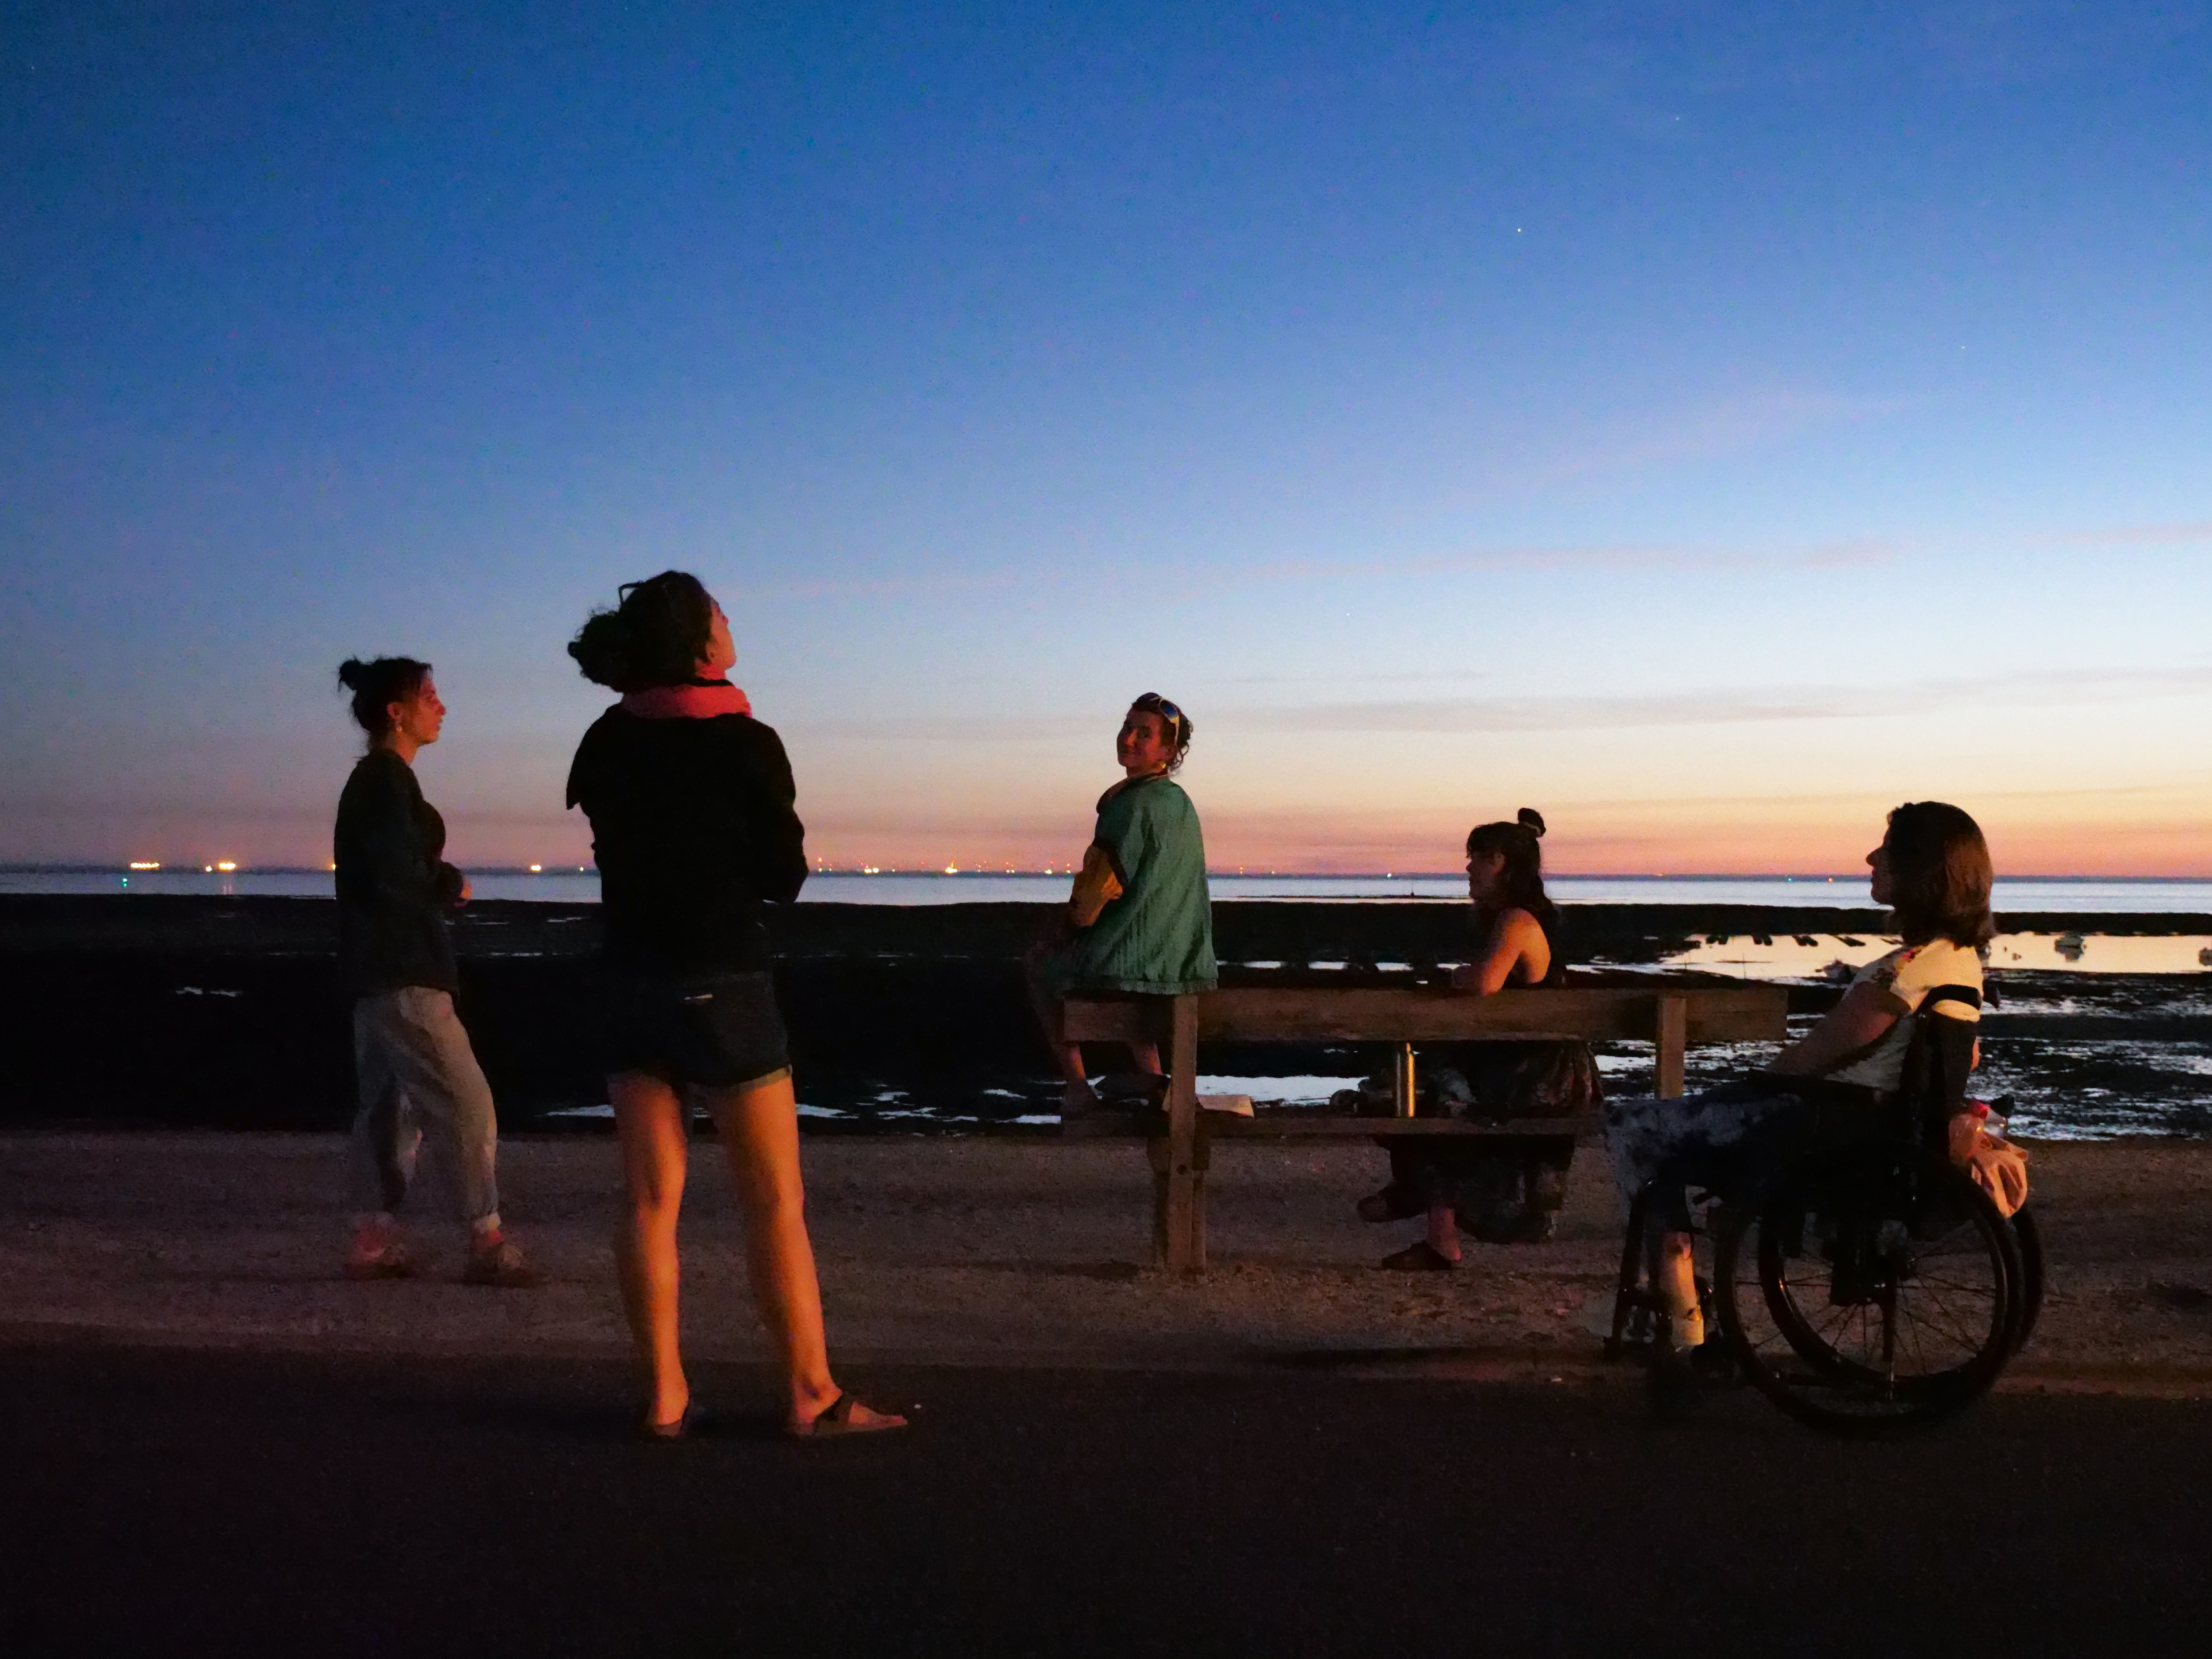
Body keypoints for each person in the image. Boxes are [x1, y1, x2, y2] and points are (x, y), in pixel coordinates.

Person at [564, 572, 904, 1440]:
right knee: (772, 1202)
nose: (730, 622)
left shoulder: (603, 739)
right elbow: (781, 876)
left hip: (628, 980)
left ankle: (666, 1393)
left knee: (648, 1199)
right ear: (698, 641)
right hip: (724, 979)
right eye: (720, 613)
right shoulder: (746, 742)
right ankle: (809, 1394)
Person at [1605, 800, 1995, 1386]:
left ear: (1920, 870)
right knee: (1684, 1133)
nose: (1869, 858)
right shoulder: (1959, 964)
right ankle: (1700, 1241)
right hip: (1871, 1130)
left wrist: (1748, 1081)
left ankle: (1685, 1319)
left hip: (1826, 1131)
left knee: (1630, 1127)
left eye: (1884, 850)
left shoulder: (1903, 973)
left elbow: (1810, 1058)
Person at [333, 657, 535, 1287]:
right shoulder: (385, 783)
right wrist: (448, 884)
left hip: (376, 970)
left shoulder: (379, 783)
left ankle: (371, 1242)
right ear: (396, 712)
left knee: (389, 1109)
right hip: (403, 969)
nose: (440, 706)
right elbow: (398, 876)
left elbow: (387, 873)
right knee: (466, 1101)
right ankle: (486, 1240)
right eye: (429, 696)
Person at [1359, 809, 1601, 1269]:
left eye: (1477, 858)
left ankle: (1420, 1209)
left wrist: (1456, 974)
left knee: (1420, 1095)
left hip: (1536, 1076)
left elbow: (1485, 982)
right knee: (1413, 1091)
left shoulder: (1516, 921)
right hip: (1520, 1065)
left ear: (1504, 863)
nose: (1468, 868)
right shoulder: (1518, 919)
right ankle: (1428, 1218)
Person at [1025, 694, 1218, 1116]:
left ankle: (1076, 1088)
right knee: (1135, 970)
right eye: (1127, 727)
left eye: (1143, 734)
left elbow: (1094, 894)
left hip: (1134, 967)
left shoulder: (1129, 806)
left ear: (1168, 751)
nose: (1128, 739)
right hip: (1183, 965)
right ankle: (1152, 1079)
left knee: (1041, 968)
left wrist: (1065, 929)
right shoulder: (1180, 804)